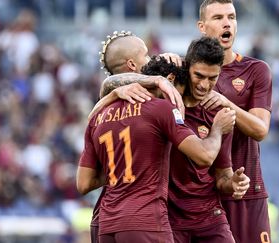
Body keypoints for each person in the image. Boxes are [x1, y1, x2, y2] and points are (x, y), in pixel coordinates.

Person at [94, 36, 251, 242]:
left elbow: (222, 176)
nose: (205, 85)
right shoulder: (153, 103)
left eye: (212, 79)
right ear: (186, 71)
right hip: (167, 219)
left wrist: (234, 183)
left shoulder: (218, 116)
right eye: (199, 76)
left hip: (209, 217)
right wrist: (120, 92)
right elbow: (109, 82)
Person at [197, 1, 273, 242]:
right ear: (202, 26)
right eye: (218, 17)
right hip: (202, 196)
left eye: (231, 16)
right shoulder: (188, 73)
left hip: (247, 191)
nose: (227, 22)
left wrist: (224, 103)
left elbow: (260, 130)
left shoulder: (255, 70)